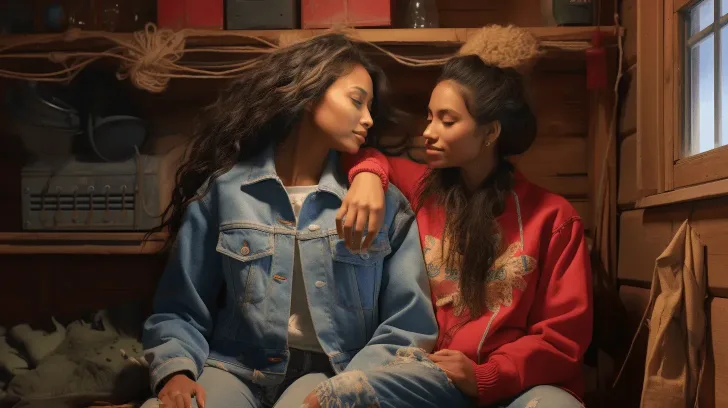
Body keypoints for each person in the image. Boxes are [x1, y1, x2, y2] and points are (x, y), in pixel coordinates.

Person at [139, 33, 443, 408]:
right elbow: (181, 307)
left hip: (333, 372)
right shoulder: (227, 192)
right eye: (356, 101)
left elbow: (408, 324)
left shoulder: (381, 203)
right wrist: (176, 371)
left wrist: (351, 386)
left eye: (370, 107)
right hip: (235, 367)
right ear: (310, 93)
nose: (367, 118)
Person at [321, 46, 593, 407]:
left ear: (490, 132)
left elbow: (562, 337)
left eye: (447, 121)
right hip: (432, 379)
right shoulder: (418, 189)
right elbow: (361, 154)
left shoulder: (553, 219)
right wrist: (369, 176)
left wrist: (486, 375)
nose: (428, 132)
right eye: (429, 117)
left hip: (522, 386)